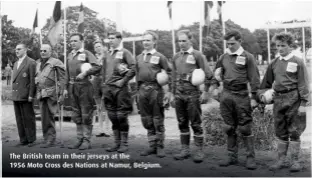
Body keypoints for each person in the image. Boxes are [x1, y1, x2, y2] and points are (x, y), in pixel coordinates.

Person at [259, 32, 310, 172]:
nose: (280, 48)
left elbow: (304, 83)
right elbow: (265, 83)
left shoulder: (297, 62)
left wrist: (304, 104)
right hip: (279, 99)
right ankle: (281, 160)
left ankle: (294, 161)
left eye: (283, 45)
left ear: (290, 46)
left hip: (294, 98)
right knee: (280, 130)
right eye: (278, 46)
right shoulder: (274, 63)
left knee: (294, 131)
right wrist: (263, 95)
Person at [209, 30, 260, 170]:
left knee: (245, 127)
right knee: (228, 126)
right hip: (226, 94)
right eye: (228, 43)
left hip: (242, 94)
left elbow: (254, 78)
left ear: (240, 41)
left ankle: (250, 157)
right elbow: (216, 74)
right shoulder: (223, 57)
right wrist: (214, 87)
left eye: (233, 43)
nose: (230, 46)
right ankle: (232, 157)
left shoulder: (248, 57)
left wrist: (254, 97)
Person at [170, 29, 213, 163]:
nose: (181, 43)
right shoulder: (176, 56)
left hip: (192, 93)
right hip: (179, 93)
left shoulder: (197, 55)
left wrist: (205, 91)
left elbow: (209, 74)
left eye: (184, 41)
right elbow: (173, 76)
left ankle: (199, 150)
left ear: (190, 40)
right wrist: (171, 92)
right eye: (179, 41)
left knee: (195, 122)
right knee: (182, 122)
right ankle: (185, 150)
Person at [136, 31, 172, 158]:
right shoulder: (139, 57)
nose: (145, 42)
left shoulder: (160, 56)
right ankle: (152, 146)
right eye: (144, 40)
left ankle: (160, 146)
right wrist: (137, 91)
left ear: (154, 42)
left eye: (148, 40)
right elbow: (136, 74)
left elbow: (169, 73)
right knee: (146, 119)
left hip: (155, 90)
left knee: (157, 119)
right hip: (142, 90)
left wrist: (168, 91)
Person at [63, 33, 101, 150]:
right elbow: (67, 73)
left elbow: (97, 67)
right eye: (71, 41)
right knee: (76, 114)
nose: (72, 43)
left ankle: (86, 140)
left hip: (85, 86)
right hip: (72, 87)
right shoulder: (70, 55)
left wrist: (85, 73)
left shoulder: (87, 53)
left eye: (75, 41)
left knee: (86, 114)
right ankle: (79, 139)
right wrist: (65, 88)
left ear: (81, 42)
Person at [102, 31, 135, 153]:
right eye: (109, 38)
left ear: (120, 39)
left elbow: (133, 68)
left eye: (113, 38)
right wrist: (103, 85)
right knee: (112, 115)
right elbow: (104, 70)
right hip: (108, 88)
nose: (110, 40)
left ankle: (124, 144)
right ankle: (116, 143)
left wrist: (123, 81)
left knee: (121, 116)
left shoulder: (125, 53)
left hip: (120, 88)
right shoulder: (107, 54)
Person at [35, 44, 65, 148]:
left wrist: (62, 93)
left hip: (51, 93)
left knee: (49, 116)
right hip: (41, 93)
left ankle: (51, 139)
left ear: (50, 52)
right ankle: (46, 138)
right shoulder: (38, 63)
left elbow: (62, 78)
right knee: (44, 117)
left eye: (45, 51)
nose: (42, 52)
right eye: (41, 51)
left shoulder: (56, 62)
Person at [12, 42, 37, 147]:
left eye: (19, 49)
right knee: (19, 118)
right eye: (16, 49)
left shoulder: (31, 62)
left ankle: (31, 139)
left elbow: (32, 80)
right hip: (16, 94)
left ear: (25, 50)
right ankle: (23, 139)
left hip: (26, 95)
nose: (16, 51)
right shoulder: (15, 63)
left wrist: (31, 95)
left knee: (28, 117)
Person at [92, 40, 110, 138]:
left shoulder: (107, 57)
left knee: (106, 106)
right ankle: (100, 129)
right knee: (98, 107)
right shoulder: (93, 58)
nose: (98, 48)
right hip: (96, 81)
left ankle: (107, 129)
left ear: (102, 47)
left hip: (104, 81)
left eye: (99, 46)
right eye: (96, 47)